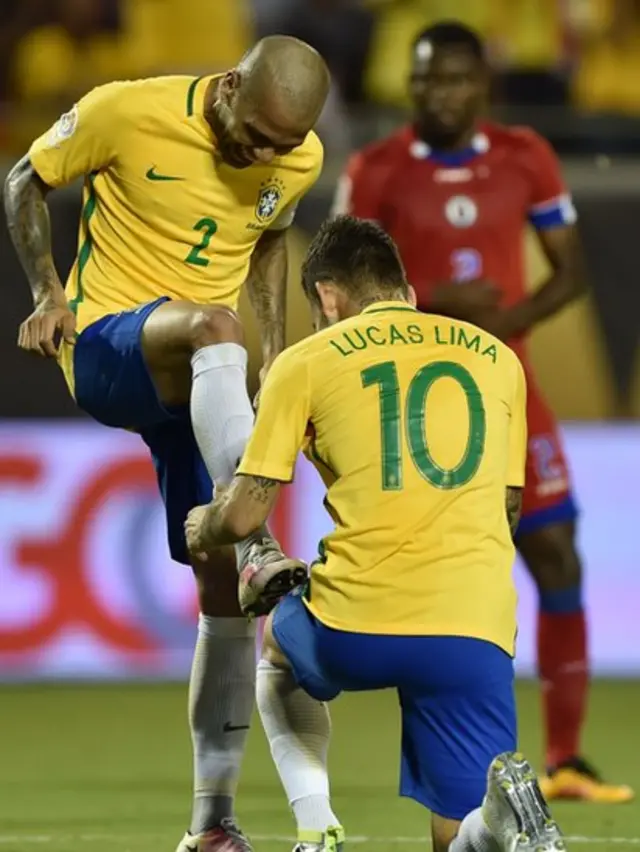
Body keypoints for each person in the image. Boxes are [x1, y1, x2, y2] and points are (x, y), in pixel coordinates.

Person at [4, 35, 330, 852]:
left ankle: (210, 825)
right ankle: (255, 535)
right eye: (253, 137)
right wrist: (48, 292)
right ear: (225, 88)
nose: (263, 156)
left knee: (227, 603)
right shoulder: (127, 110)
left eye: (279, 147)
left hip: (201, 389)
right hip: (111, 347)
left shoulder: (298, 158)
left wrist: (276, 353)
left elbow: (269, 235)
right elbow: (23, 182)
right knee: (213, 325)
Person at [184, 214, 565, 852]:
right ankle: (498, 821)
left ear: (328, 298)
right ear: (407, 293)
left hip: (360, 618)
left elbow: (247, 513)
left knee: (275, 642)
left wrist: (207, 523)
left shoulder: (306, 361)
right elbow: (507, 507)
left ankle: (316, 825)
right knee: (458, 828)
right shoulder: (498, 359)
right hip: (475, 625)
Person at [332, 20, 633, 804]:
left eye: (457, 79)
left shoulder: (525, 156)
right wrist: (436, 308)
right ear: (410, 86)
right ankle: (446, 767)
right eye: (428, 80)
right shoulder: (377, 170)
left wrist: (502, 324)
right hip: (416, 403)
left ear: (483, 84)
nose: (442, 94)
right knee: (438, 576)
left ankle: (566, 759)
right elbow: (336, 294)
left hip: (508, 390)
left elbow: (571, 273)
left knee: (558, 554)